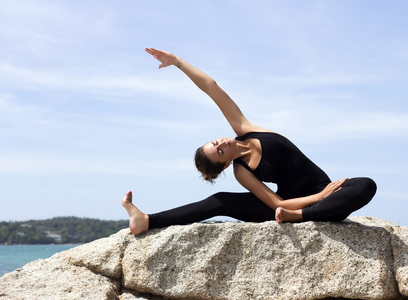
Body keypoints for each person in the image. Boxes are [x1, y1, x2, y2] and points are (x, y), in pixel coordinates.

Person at [121, 48, 377, 235]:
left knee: (366, 185)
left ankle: (300, 217)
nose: (222, 143)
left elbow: (211, 87)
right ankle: (147, 220)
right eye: (220, 151)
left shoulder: (244, 129)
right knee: (219, 200)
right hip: (289, 205)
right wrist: (317, 197)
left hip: (325, 200)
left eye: (215, 142)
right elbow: (276, 204)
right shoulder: (241, 172)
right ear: (224, 165)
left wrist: (177, 62)